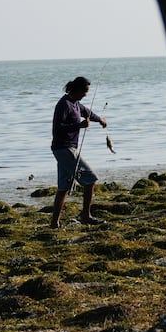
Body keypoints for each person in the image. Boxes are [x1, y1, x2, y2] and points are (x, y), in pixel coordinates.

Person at [50, 75, 107, 228]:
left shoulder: (76, 103)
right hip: (64, 148)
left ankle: (54, 223)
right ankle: (86, 216)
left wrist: (99, 119)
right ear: (77, 89)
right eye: (85, 91)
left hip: (66, 149)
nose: (86, 94)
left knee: (64, 187)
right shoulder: (64, 104)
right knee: (91, 179)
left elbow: (87, 112)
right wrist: (79, 126)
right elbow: (58, 128)